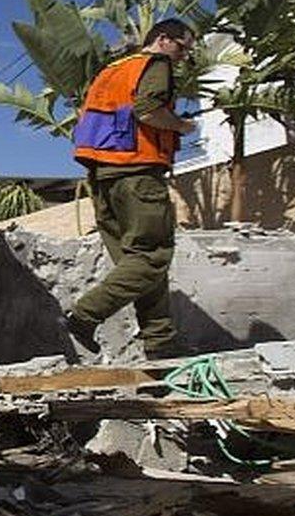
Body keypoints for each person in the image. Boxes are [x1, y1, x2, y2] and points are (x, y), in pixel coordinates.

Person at [63, 19, 196, 359]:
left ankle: (161, 345)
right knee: (152, 256)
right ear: (163, 40)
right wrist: (181, 125)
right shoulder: (156, 63)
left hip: (104, 177)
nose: (183, 57)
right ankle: (84, 315)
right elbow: (148, 110)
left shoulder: (111, 72)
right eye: (182, 48)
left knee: (137, 264)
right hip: (137, 172)